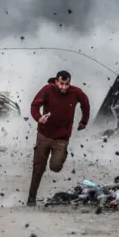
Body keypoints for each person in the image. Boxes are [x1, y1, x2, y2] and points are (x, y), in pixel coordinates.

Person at [27, 70, 90, 206]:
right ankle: (31, 198)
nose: (64, 87)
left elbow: (85, 104)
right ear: (56, 81)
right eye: (61, 84)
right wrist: (39, 117)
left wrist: (83, 121)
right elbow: (34, 105)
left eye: (66, 84)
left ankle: (60, 156)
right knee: (38, 168)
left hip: (62, 137)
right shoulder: (47, 90)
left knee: (55, 167)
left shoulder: (76, 92)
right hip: (44, 135)